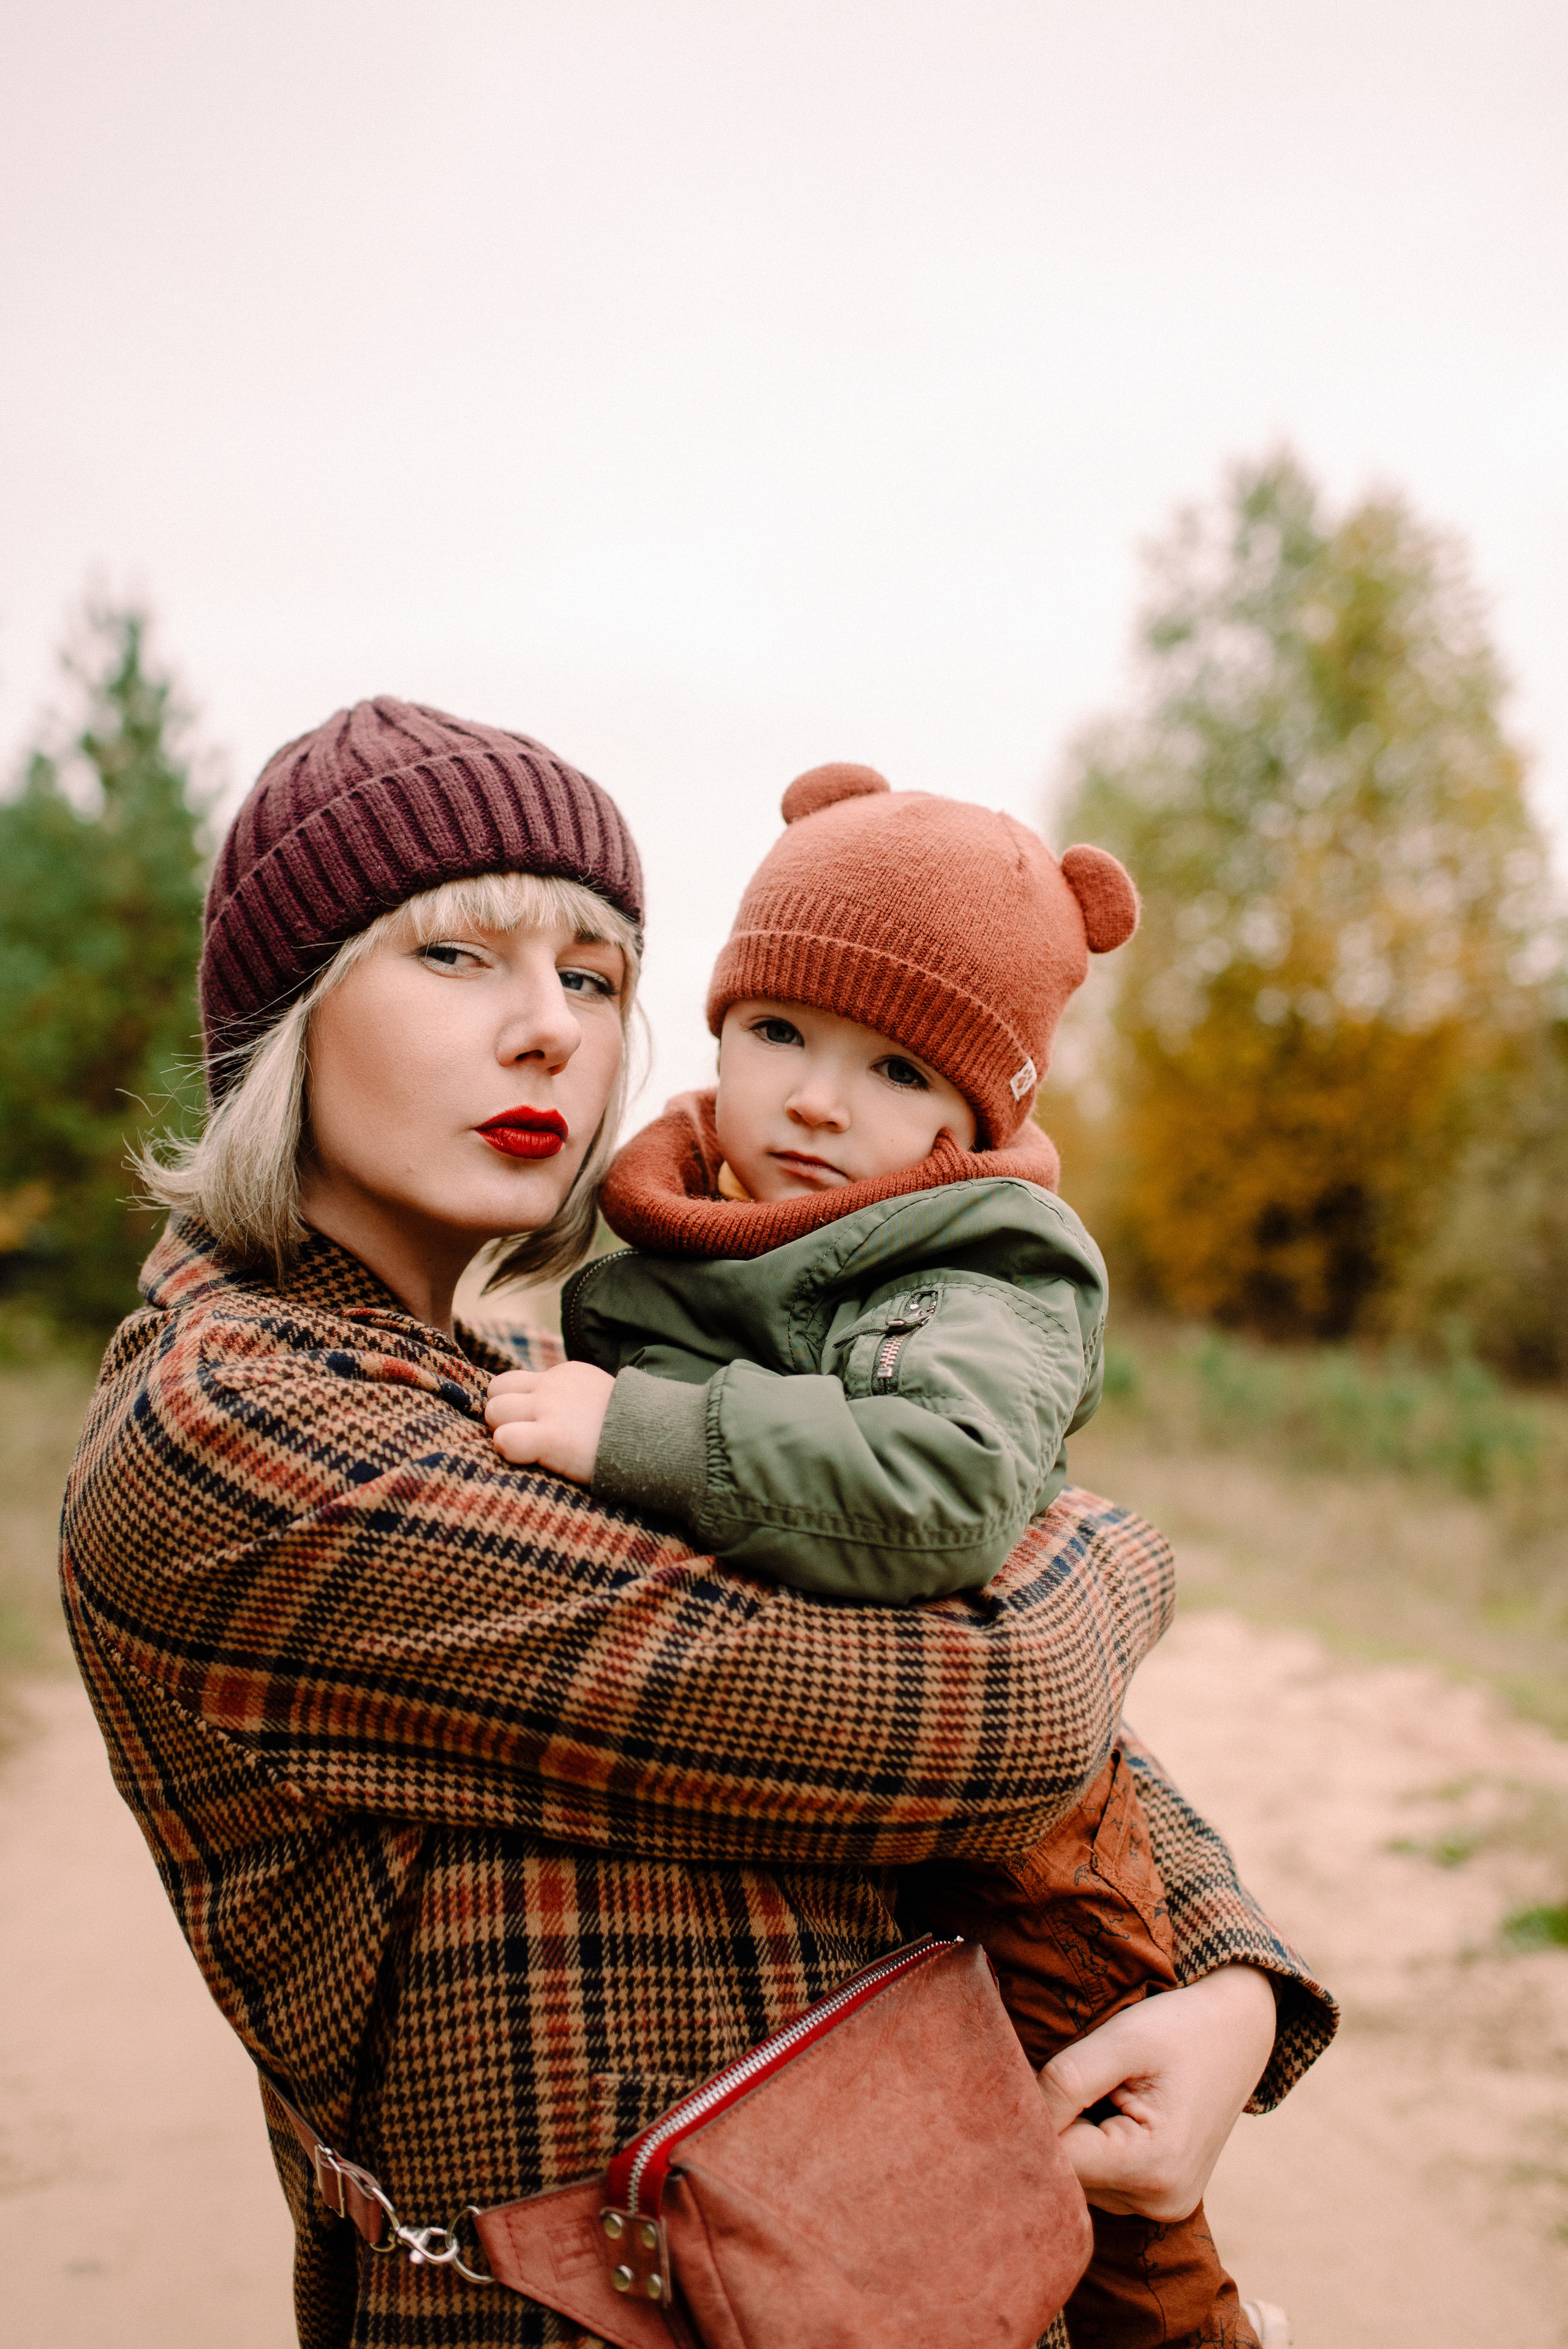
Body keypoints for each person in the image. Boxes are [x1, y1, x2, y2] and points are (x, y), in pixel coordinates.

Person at [61, 700, 1334, 2349]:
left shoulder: (526, 1362)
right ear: (286, 1013)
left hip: (885, 2267)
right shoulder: (245, 1436)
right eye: (458, 959)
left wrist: (1230, 1974)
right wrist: (1111, 1546)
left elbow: (961, 1658)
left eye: (593, 975)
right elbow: (984, 1708)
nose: (551, 1034)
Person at [483, 762, 1327, 2348]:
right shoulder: (669, 1237)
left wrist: (636, 1434)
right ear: (718, 1033)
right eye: (781, 1031)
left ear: (967, 1114)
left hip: (1028, 1836)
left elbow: (939, 1482)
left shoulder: (972, 1271)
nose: (816, 1097)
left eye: (891, 1065)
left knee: (1107, 2203)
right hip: (812, 1826)